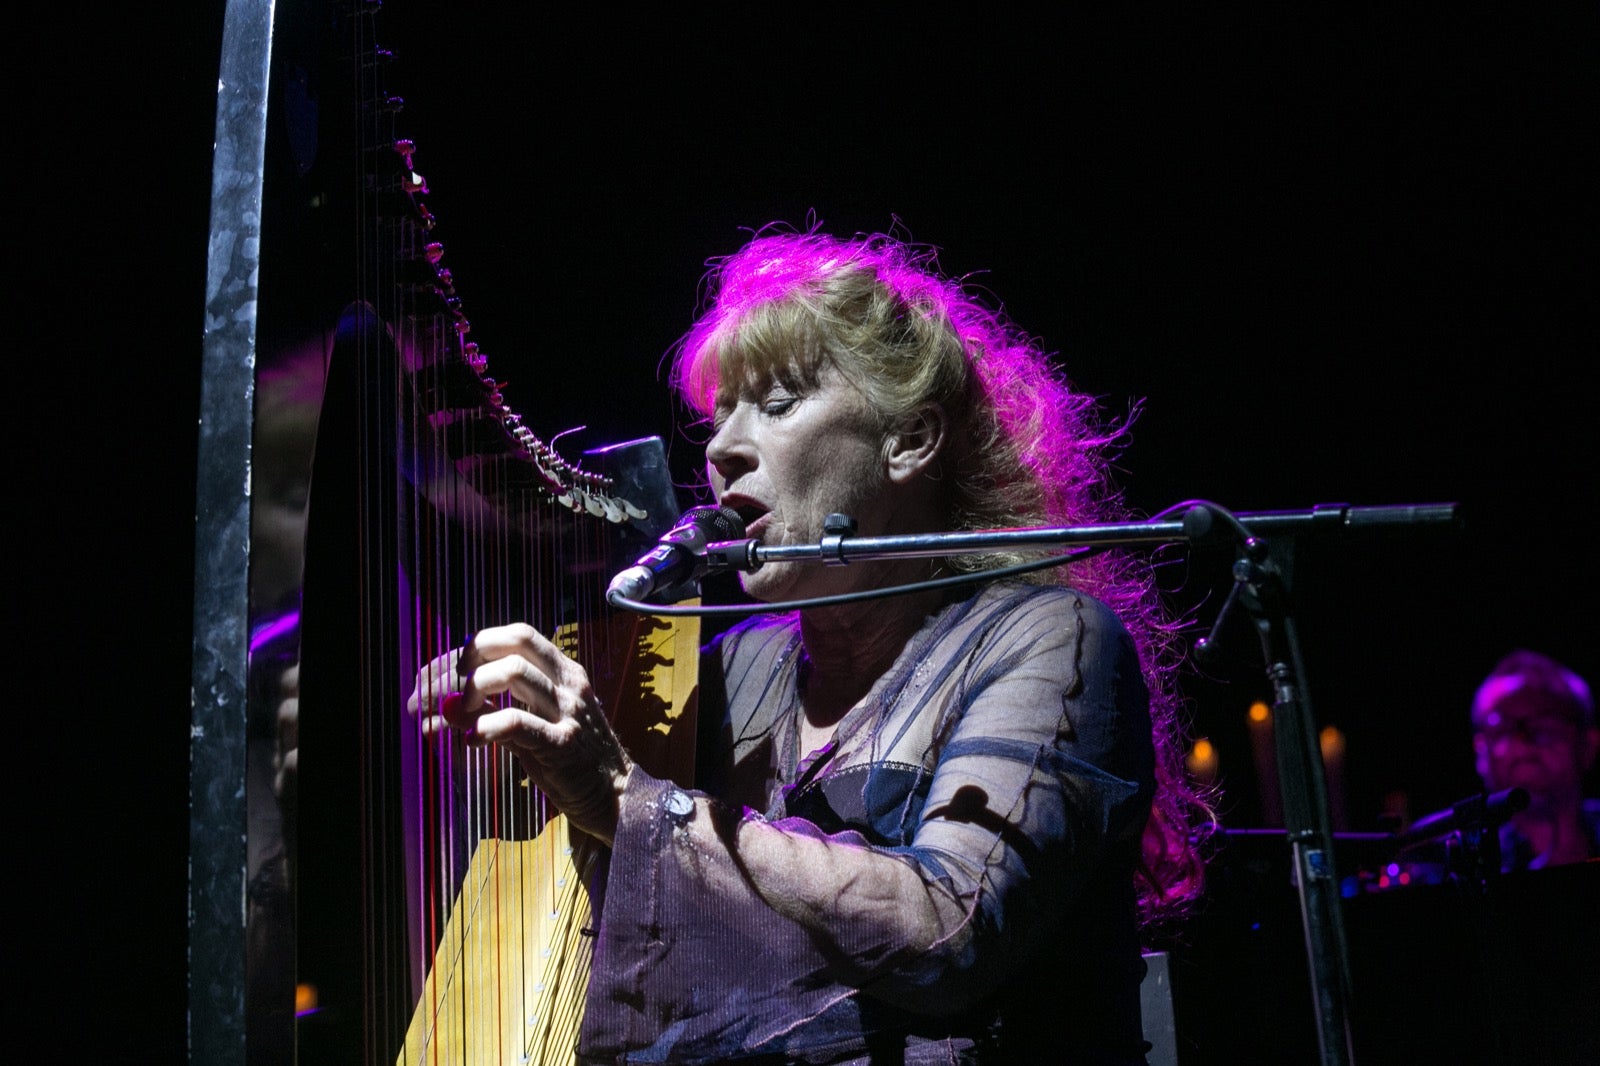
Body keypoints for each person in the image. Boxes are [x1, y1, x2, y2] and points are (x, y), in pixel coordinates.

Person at [410, 224, 1213, 1063]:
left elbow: (950, 929)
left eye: (778, 404)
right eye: (717, 417)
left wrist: (626, 797)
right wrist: (514, 750)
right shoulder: (733, 672)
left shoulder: (1051, 640)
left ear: (910, 441)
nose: (719, 450)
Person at [1471, 649, 1600, 872]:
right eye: (1502, 728)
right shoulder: (1460, 869)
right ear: (1481, 753)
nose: (1522, 742)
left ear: (1588, 744)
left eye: (1544, 726)